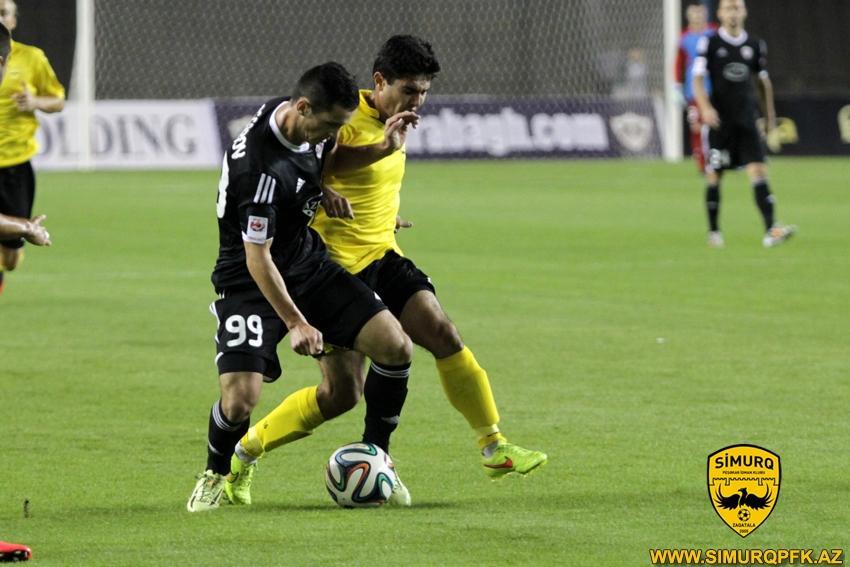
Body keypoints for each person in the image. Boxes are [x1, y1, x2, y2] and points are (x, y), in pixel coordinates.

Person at [226, 36, 546, 508]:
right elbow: (322, 168)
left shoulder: (393, 120)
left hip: (382, 253)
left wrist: (383, 215)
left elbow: (362, 185)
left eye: (424, 92)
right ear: (380, 82)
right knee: (341, 394)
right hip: (333, 267)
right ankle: (244, 452)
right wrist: (380, 148)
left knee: (442, 332)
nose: (417, 101)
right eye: (409, 90)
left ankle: (491, 446)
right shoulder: (342, 117)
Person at [186, 62, 415, 512]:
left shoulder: (303, 121)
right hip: (249, 280)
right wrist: (296, 323)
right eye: (329, 126)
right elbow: (258, 256)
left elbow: (323, 160)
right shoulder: (258, 169)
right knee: (240, 400)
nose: (332, 134)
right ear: (304, 108)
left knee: (394, 348)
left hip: (307, 264)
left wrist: (330, 182)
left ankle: (378, 458)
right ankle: (216, 473)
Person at [693, 0, 795, 248]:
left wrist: (769, 116)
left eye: (737, 8)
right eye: (728, 8)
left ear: (744, 12)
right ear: (720, 13)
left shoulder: (755, 45)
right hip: (720, 123)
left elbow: (762, 82)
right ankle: (714, 232)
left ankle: (771, 230)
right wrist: (705, 108)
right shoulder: (710, 43)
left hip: (747, 120)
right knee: (715, 175)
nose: (733, 13)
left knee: (758, 170)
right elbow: (697, 79)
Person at [0, 0, 64, 292]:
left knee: (11, 259)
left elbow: (58, 100)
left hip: (14, 164)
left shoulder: (32, 58)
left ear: (14, 20)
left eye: (4, 12)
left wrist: (35, 101)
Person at [673, 2, 717, 173]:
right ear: (689, 16)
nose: (698, 17)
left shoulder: (714, 32)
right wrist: (677, 86)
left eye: (700, 14)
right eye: (694, 14)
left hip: (714, 87)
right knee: (697, 126)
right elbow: (678, 63)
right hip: (693, 90)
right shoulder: (684, 37)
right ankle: (702, 164)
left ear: (705, 15)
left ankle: (720, 160)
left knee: (716, 124)